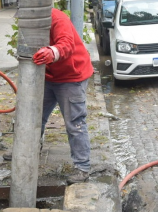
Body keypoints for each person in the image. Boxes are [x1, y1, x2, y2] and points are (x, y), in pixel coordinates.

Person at [32, 8, 94, 184]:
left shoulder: (58, 19)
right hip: (48, 75)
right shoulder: (30, 20)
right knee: (34, 117)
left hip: (71, 76)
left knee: (75, 123)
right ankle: (29, 151)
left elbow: (66, 43)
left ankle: (82, 168)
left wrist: (52, 52)